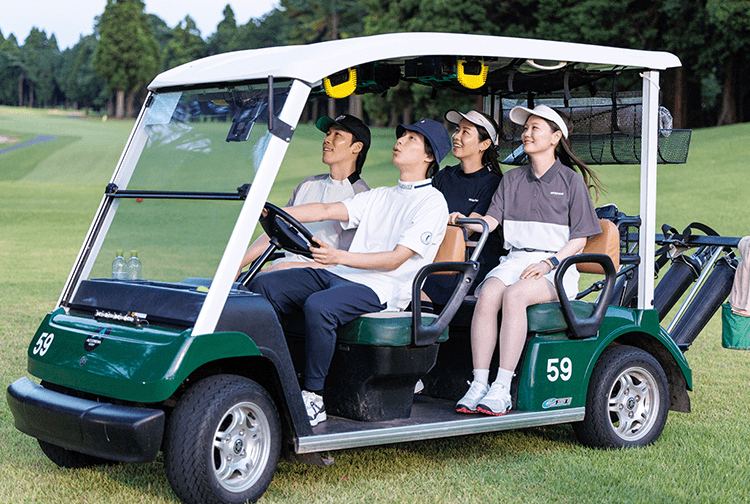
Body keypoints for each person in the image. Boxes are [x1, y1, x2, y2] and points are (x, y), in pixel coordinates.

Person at [249, 118, 452, 426]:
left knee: (320, 306)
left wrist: (338, 256)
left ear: (429, 156)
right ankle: (270, 377)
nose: (399, 141)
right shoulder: (381, 195)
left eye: (412, 139)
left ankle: (313, 396)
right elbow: (325, 209)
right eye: (402, 136)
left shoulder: (432, 203)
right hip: (344, 274)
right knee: (264, 286)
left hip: (383, 287)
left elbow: (396, 259)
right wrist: (276, 212)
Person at [453, 104, 603, 416]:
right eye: (525, 128)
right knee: (487, 295)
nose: (527, 133)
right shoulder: (511, 180)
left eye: (535, 128)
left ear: (555, 137)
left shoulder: (571, 182)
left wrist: (550, 263)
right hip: (515, 261)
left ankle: (502, 387)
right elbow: (490, 222)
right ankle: (479, 383)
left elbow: (580, 239)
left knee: (515, 295)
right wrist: (462, 220)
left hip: (557, 269)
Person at [237, 114, 370, 276]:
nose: (327, 140)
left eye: (338, 135)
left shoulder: (361, 197)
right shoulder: (308, 184)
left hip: (322, 277)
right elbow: (277, 230)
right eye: (328, 134)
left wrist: (284, 267)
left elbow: (349, 263)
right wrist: (238, 264)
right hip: (284, 270)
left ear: (356, 147)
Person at [422, 109, 504, 306]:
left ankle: (425, 326)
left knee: (420, 284)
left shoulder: (493, 183)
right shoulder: (444, 176)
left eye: (465, 132)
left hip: (471, 264)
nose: (456, 136)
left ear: (484, 144)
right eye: (457, 130)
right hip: (437, 256)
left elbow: (465, 232)